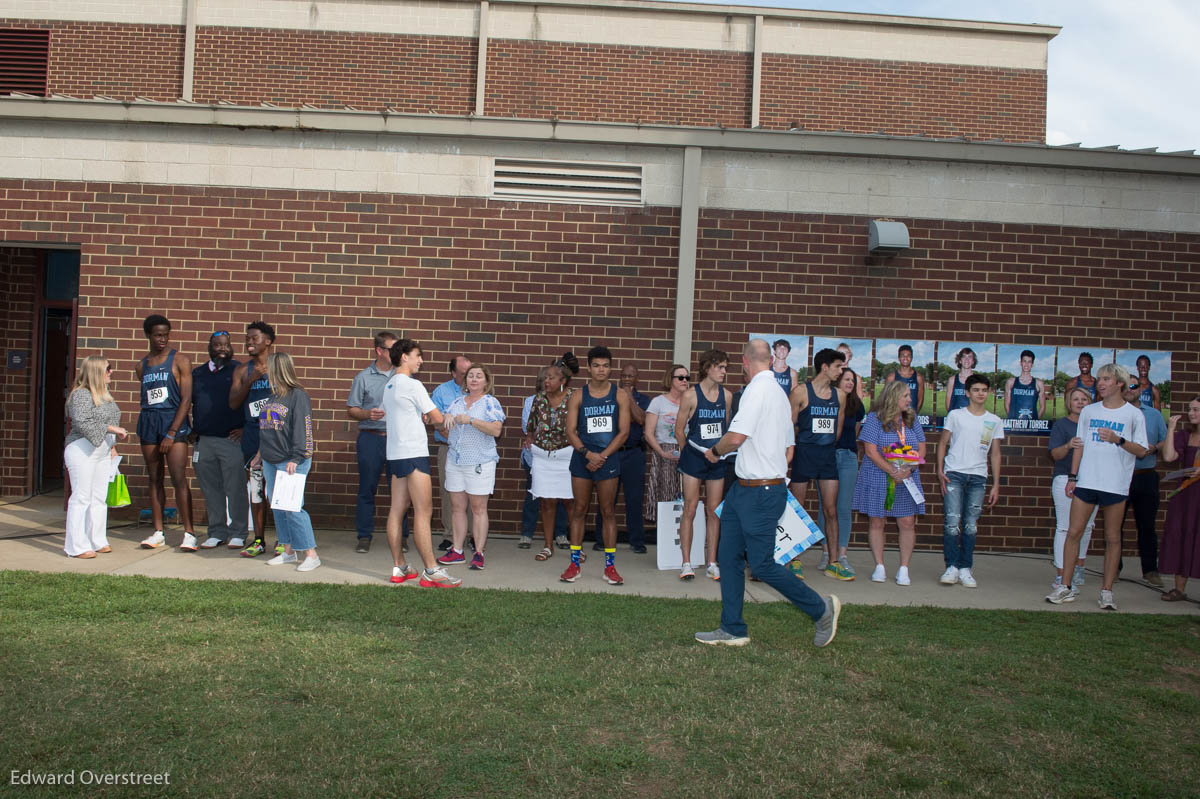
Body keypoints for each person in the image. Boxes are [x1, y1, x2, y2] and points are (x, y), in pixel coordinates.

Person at [694, 339, 841, 648]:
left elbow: (735, 437)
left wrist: (714, 451)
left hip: (759, 491)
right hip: (748, 489)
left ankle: (820, 608)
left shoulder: (757, 391)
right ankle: (732, 628)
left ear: (745, 363)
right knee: (728, 556)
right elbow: (789, 446)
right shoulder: (778, 393)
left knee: (760, 564)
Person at [1047, 363, 1149, 610]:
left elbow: (1143, 451)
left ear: (1119, 384)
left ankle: (1106, 591)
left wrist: (1118, 440)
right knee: (1073, 533)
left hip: (1115, 484)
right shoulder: (1090, 411)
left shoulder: (1133, 415)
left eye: (1106, 379)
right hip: (1087, 481)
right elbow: (1079, 446)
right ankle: (1066, 586)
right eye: (1100, 379)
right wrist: (1073, 477)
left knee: (1112, 538)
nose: (1100, 383)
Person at [382, 338, 457, 587]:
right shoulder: (413, 385)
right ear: (404, 356)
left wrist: (422, 415)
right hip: (413, 453)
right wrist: (446, 417)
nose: (420, 360)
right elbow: (436, 417)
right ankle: (432, 570)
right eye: (417, 355)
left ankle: (399, 567)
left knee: (397, 510)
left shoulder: (390, 384)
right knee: (424, 512)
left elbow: (408, 414)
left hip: (395, 454)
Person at [561, 346, 630, 585]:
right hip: (582, 458)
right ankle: (574, 563)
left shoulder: (619, 394)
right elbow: (569, 430)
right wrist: (587, 453)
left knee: (608, 511)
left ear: (611, 368)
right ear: (589, 368)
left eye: (606, 365)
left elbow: (624, 432)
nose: (602, 370)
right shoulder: (578, 395)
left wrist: (602, 456)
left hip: (608, 459)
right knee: (579, 510)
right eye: (597, 365)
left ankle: (609, 567)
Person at [853, 379, 927, 586]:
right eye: (905, 396)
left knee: (907, 522)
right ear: (893, 397)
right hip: (878, 476)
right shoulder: (875, 419)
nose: (909, 400)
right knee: (877, 521)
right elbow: (870, 451)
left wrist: (908, 469)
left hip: (907, 478)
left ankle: (904, 568)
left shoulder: (912, 420)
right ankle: (879, 566)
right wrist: (892, 470)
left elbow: (922, 447)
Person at [788, 347, 851, 581]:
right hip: (804, 454)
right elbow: (788, 427)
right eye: (838, 366)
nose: (840, 371)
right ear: (824, 367)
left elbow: (837, 431)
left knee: (831, 510)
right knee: (798, 509)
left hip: (827, 457)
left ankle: (833, 562)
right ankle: (795, 559)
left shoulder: (840, 396)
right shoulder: (800, 393)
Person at [936, 374, 1003, 588]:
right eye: (976, 390)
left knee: (971, 525)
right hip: (953, 472)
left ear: (989, 392)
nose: (980, 393)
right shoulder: (956, 415)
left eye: (984, 389)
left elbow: (995, 454)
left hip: (978, 476)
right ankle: (951, 567)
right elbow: (942, 443)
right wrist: (939, 470)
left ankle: (965, 568)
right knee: (952, 522)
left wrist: (996, 484)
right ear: (967, 393)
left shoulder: (994, 420)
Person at [135, 314, 196, 551]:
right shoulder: (142, 366)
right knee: (154, 478)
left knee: (178, 477)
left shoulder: (179, 360)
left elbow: (187, 398)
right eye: (158, 335)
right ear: (148, 335)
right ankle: (158, 531)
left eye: (166, 334)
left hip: (174, 421)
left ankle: (189, 533)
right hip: (150, 420)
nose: (162, 339)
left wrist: (172, 432)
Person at [436, 364, 505, 570]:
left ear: (486, 381)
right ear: (465, 381)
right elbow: (442, 426)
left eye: (478, 376)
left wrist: (472, 420)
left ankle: (478, 552)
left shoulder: (490, 403)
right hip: (455, 462)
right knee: (457, 508)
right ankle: (457, 551)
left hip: (480, 463)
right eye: (470, 376)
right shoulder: (456, 402)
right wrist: (445, 419)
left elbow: (496, 430)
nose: (474, 379)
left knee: (478, 509)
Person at [346, 330, 409, 554]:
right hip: (371, 438)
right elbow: (351, 409)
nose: (396, 353)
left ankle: (402, 537)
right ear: (379, 351)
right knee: (366, 489)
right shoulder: (362, 377)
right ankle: (364, 536)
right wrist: (366, 415)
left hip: (397, 439)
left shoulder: (403, 375)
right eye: (392, 349)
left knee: (401, 490)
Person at [257, 352, 320, 572]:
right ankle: (289, 551)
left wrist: (297, 456)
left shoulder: (298, 395)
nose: (265, 372)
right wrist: (259, 455)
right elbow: (268, 430)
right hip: (270, 460)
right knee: (278, 506)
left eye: (268, 368)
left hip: (292, 460)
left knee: (293, 507)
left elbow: (304, 428)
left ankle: (311, 554)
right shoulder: (273, 397)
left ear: (278, 369)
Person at [674, 349, 731, 581]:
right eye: (720, 367)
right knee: (690, 508)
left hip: (716, 459)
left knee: (714, 512)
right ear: (708, 368)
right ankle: (686, 562)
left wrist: (718, 452)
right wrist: (688, 451)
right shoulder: (690, 395)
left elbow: (724, 429)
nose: (724, 372)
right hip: (694, 458)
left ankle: (711, 562)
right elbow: (679, 430)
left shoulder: (726, 396)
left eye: (726, 368)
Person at [64, 356, 128, 558]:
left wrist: (112, 448)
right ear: (96, 372)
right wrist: (112, 429)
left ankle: (97, 540)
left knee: (99, 498)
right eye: (108, 368)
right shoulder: (81, 394)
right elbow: (82, 421)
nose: (111, 372)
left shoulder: (105, 395)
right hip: (82, 450)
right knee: (81, 497)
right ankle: (76, 547)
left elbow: (109, 423)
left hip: (102, 451)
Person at [190, 331, 248, 550]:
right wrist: (189, 428)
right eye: (217, 345)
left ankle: (239, 532)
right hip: (203, 441)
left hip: (230, 440)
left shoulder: (239, 370)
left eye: (226, 345)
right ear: (210, 347)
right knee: (211, 489)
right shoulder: (198, 374)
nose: (222, 349)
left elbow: (250, 401)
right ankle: (216, 532)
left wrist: (245, 428)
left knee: (235, 488)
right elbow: (185, 401)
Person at [591, 363, 650, 554]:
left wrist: (629, 398)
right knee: (607, 499)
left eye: (630, 376)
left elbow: (641, 419)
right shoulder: (610, 397)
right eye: (623, 376)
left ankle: (637, 541)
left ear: (636, 379)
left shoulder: (644, 399)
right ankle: (601, 540)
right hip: (612, 453)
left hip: (634, 454)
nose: (626, 379)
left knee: (634, 499)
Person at [228, 321, 276, 556]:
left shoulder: (279, 367)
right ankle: (258, 540)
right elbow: (234, 403)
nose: (249, 342)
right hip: (252, 435)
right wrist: (251, 380)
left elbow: (292, 399)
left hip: (276, 436)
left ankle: (283, 539)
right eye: (247, 338)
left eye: (254, 338)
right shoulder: (241, 370)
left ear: (267, 341)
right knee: (256, 488)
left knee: (276, 491)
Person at [525, 354, 579, 560]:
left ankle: (576, 548)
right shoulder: (539, 399)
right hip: (542, 457)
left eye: (551, 378)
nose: (546, 381)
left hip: (567, 456)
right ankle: (548, 546)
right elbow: (531, 425)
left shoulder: (575, 397)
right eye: (545, 378)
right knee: (547, 502)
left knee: (570, 503)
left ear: (562, 381)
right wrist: (528, 437)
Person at [1047, 387, 1098, 591]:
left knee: (1086, 526)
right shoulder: (1062, 425)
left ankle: (1079, 567)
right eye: (1075, 399)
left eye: (1084, 399)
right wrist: (1068, 445)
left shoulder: (1095, 425)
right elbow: (1055, 455)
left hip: (1092, 481)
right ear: (1069, 402)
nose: (1080, 402)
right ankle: (1061, 574)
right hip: (1065, 479)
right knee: (1065, 527)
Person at [1120, 378, 1168, 586]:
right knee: (1115, 527)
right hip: (1120, 476)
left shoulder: (1154, 415)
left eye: (1134, 386)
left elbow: (1165, 441)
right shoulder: (1115, 413)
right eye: (1126, 386)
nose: (1130, 390)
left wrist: (1155, 448)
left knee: (1147, 526)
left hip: (1146, 475)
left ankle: (1150, 570)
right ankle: (1114, 569)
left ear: (1141, 389)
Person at [817, 368, 864, 579]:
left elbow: (855, 432)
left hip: (848, 458)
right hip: (827, 456)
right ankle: (827, 553)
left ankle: (842, 555)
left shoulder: (857, 405)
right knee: (825, 507)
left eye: (852, 380)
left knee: (843, 507)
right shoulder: (828, 401)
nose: (850, 383)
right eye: (846, 379)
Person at [519, 366, 567, 549]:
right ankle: (527, 534)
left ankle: (561, 534)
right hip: (536, 456)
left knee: (561, 496)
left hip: (561, 455)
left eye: (549, 379)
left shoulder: (567, 400)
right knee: (533, 496)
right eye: (542, 381)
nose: (545, 383)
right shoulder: (532, 401)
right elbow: (527, 428)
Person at [1159, 397, 1200, 602]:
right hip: (1185, 495)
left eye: (1196, 410)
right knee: (1182, 534)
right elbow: (1168, 457)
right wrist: (1171, 429)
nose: (1191, 413)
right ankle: (1179, 589)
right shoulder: (1186, 435)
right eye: (1190, 409)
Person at [431, 354, 471, 551]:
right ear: (454, 373)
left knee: (474, 492)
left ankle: (472, 534)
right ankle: (449, 535)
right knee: (448, 491)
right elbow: (436, 421)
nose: (469, 378)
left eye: (471, 373)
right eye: (464, 374)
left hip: (474, 452)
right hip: (448, 449)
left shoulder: (480, 391)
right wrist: (456, 440)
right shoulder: (442, 391)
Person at [643, 364, 687, 528]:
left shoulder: (690, 402)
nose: (684, 381)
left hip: (685, 452)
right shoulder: (658, 402)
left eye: (687, 378)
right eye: (680, 377)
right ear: (671, 379)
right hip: (664, 453)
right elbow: (648, 433)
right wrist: (662, 452)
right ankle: (666, 535)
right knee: (665, 495)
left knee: (685, 496)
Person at [1004, 349, 1046, 423]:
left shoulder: (1038, 383)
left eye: (1029, 362)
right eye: (1024, 361)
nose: (1026, 364)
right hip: (1014, 425)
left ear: (1032, 364)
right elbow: (1007, 404)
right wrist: (1012, 419)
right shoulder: (1011, 382)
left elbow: (1042, 407)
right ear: (1020, 363)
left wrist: (1034, 422)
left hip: (1032, 426)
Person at [885, 344, 924, 417]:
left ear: (912, 358)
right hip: (895, 417)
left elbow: (920, 399)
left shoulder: (918, 378)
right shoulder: (891, 377)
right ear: (899, 358)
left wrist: (914, 414)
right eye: (903, 355)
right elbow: (887, 399)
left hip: (911, 417)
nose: (905, 358)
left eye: (908, 356)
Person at [945, 347, 976, 415]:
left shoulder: (977, 381)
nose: (966, 360)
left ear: (973, 361)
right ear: (960, 360)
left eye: (970, 357)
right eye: (964, 357)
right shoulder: (952, 380)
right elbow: (948, 404)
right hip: (956, 421)